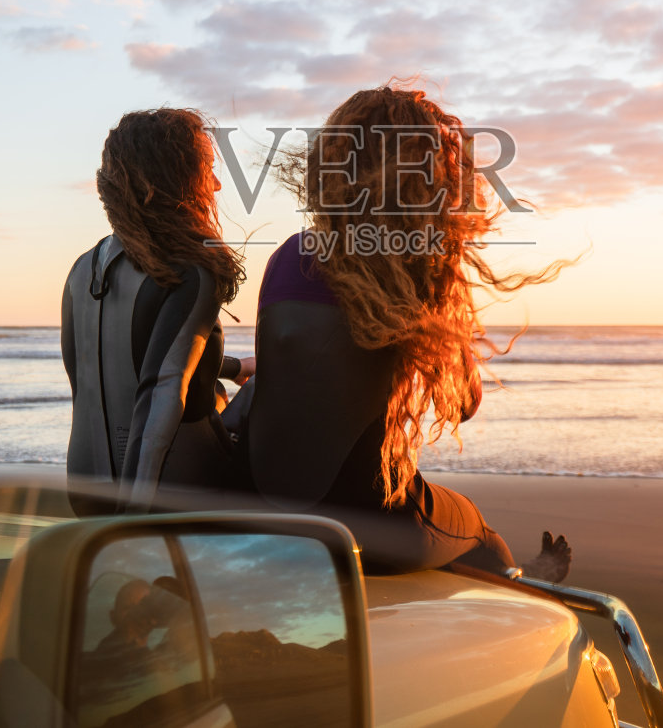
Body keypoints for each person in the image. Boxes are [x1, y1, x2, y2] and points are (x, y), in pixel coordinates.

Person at [236, 85, 573, 579]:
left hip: (265, 501)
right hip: (371, 526)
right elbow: (463, 404)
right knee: (478, 532)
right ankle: (524, 583)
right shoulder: (423, 269)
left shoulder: (289, 254)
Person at [61, 108, 246, 504]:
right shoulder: (191, 269)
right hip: (176, 496)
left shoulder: (81, 269)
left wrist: (232, 367)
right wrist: (134, 522)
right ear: (174, 179)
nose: (214, 185)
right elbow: (162, 393)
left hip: (84, 492)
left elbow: (117, 363)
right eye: (208, 169)